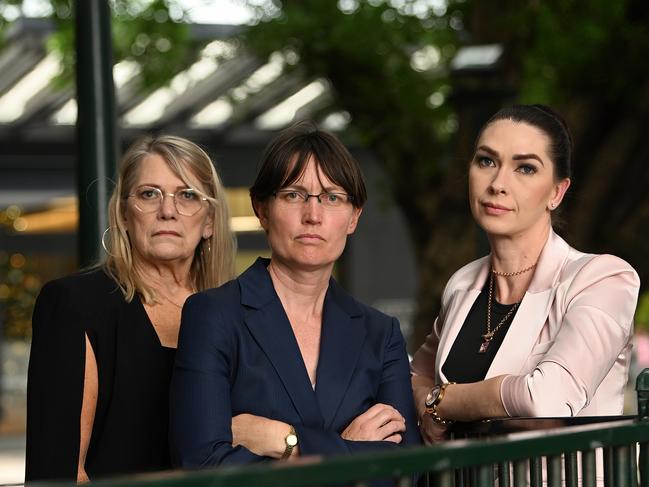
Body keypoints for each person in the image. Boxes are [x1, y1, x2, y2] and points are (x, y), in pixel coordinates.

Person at [169, 121, 420, 467]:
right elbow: (204, 465)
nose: (313, 215)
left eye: (332, 197)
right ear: (262, 209)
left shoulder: (380, 333)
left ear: (354, 217)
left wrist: (287, 442)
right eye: (293, 195)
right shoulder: (213, 315)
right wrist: (348, 450)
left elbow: (405, 468)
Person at [410, 104, 640, 443]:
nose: (498, 183)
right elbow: (416, 376)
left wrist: (443, 401)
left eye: (526, 168)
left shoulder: (602, 279)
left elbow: (545, 400)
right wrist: (427, 404)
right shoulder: (463, 283)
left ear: (557, 192)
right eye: (487, 161)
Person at [25, 135, 235, 482]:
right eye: (149, 194)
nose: (168, 210)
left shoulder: (236, 313)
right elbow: (58, 470)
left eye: (187, 196)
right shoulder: (76, 305)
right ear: (123, 213)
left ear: (209, 221)